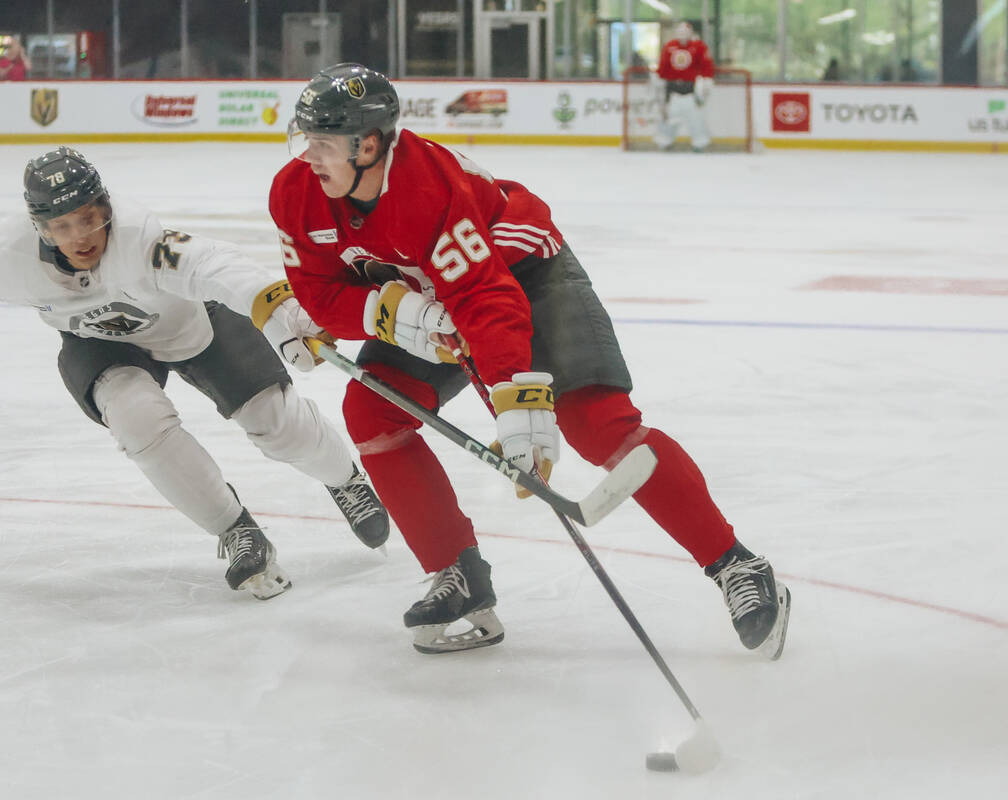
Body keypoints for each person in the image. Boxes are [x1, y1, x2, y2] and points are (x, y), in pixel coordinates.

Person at [267, 63, 791, 656]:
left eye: (324, 142)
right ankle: (457, 575)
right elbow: (319, 294)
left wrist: (518, 402)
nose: (309, 155)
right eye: (305, 137)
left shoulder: (425, 185)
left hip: (526, 273)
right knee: (372, 411)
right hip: (440, 292)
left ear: (368, 145)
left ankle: (735, 564)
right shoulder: (295, 191)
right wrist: (411, 318)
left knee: (596, 423)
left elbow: (486, 297)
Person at [0, 146, 389, 600]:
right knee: (136, 419)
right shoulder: (10, 256)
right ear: (39, 228)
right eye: (62, 226)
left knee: (278, 426)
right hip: (99, 345)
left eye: (88, 218)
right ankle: (236, 529)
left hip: (193, 324)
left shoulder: (139, 238)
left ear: (105, 208)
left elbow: (216, 264)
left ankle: (343, 478)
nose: (80, 236)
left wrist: (283, 312)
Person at [655, 21, 715, 152]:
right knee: (670, 118)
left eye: (685, 32)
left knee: (696, 119)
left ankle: (700, 143)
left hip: (691, 91)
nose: (682, 35)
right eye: (680, 32)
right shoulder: (670, 46)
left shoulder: (699, 47)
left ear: (690, 33)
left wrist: (707, 80)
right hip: (673, 91)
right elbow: (663, 67)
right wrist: (659, 80)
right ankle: (665, 141)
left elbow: (706, 65)